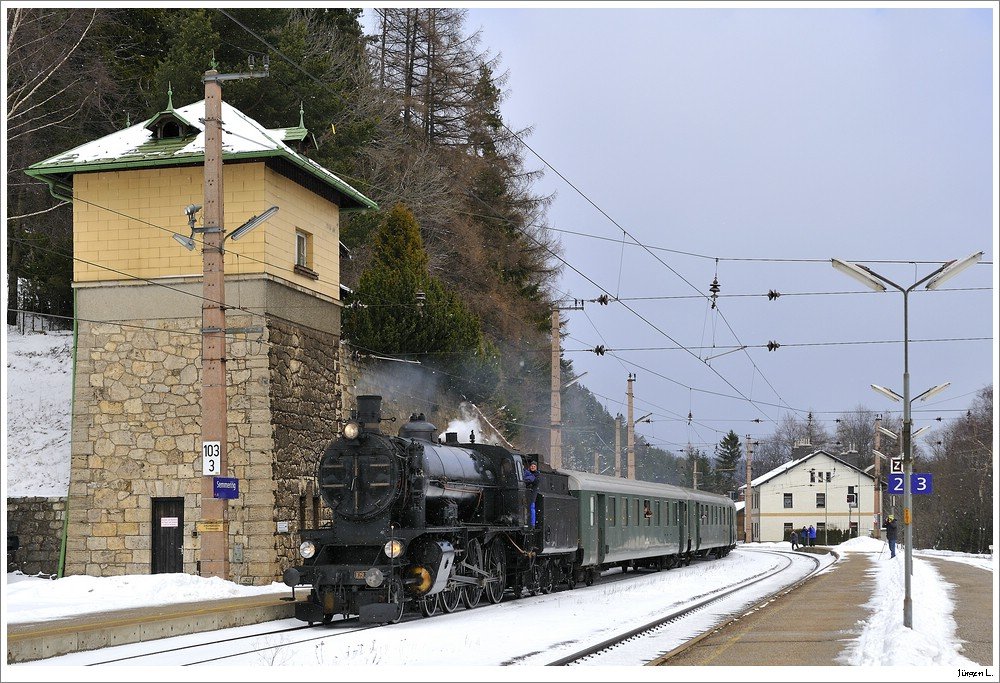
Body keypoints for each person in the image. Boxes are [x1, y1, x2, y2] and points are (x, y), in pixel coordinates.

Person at [524, 461, 540, 526]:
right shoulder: (527, 473)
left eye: (534, 466)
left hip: (533, 492)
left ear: (536, 467)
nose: (533, 467)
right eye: (532, 466)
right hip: (526, 492)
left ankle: (532, 523)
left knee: (531, 506)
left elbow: (530, 480)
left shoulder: (537, 475)